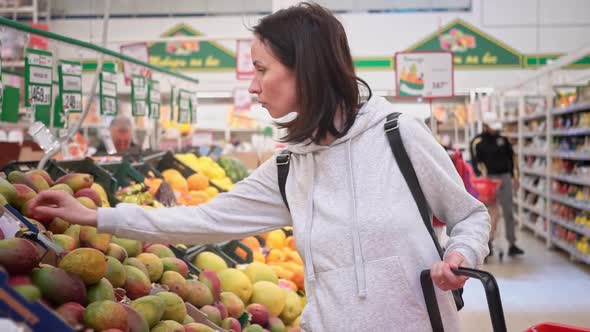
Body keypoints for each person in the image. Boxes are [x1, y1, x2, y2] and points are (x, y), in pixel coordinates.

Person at [30, 3, 489, 331]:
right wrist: (95, 215)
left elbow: (470, 216)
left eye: (261, 69)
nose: (252, 87)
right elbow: (205, 219)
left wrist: (461, 256)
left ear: (304, 68)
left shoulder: (398, 134)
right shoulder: (291, 166)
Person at [470, 113, 524, 257]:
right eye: (492, 127)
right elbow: (476, 164)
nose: (495, 130)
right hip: (489, 181)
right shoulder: (477, 142)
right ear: (485, 126)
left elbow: (512, 159)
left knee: (508, 211)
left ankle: (512, 244)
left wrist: (515, 177)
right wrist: (484, 178)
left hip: (505, 178)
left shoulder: (503, 140)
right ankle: (488, 243)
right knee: (490, 214)